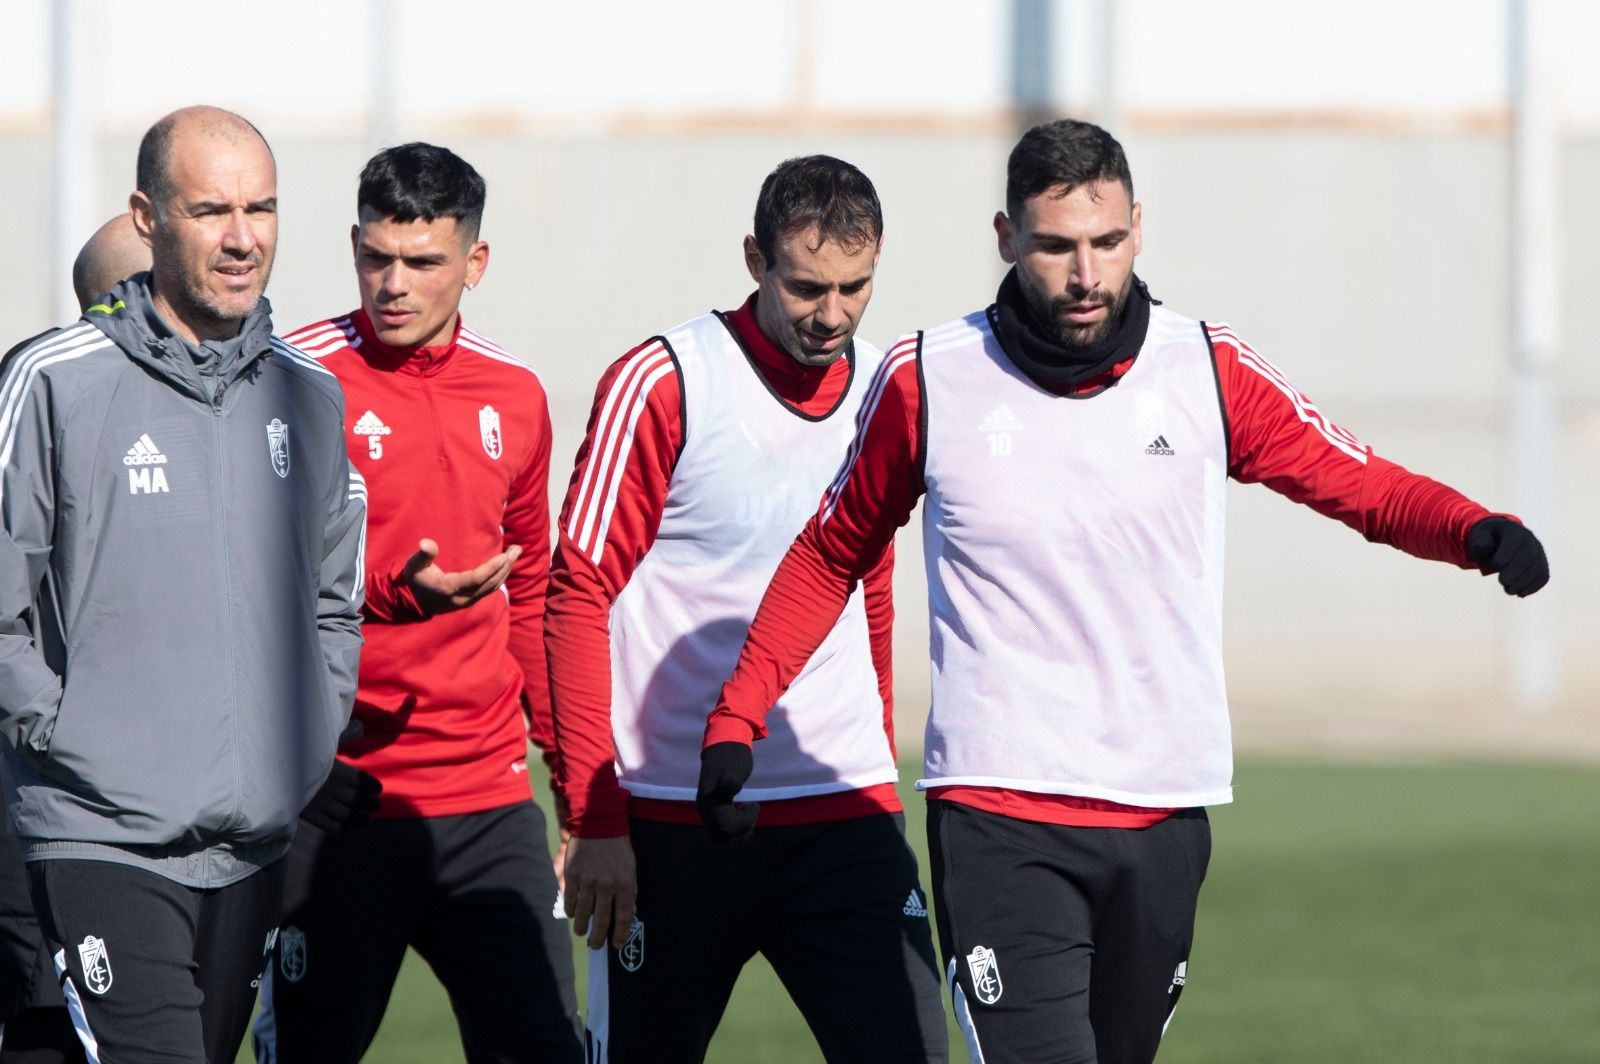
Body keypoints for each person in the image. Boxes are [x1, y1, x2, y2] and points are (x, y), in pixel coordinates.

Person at [699, 120, 1550, 1064]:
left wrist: (1472, 531)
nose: (1086, 273)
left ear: (1139, 228)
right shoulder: (928, 377)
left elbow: (1353, 478)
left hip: (1163, 810)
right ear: (1007, 237)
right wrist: (739, 715)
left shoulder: (1207, 369)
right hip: (999, 813)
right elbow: (829, 554)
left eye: (1106, 242)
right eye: (1057, 245)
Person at [547, 155, 947, 1063]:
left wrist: (877, 757)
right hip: (667, 821)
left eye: (856, 286)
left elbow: (868, 580)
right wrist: (594, 816)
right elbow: (577, 595)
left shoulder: (891, 385)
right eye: (806, 286)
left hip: (842, 809)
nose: (832, 314)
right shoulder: (665, 380)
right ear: (753, 259)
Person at [0, 105, 366, 1064]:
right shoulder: (52, 381)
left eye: (262, 208)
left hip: (253, 847)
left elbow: (334, 600)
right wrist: (61, 732)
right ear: (149, 217)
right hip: (99, 835)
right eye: (211, 210)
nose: (242, 238)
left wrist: (308, 742)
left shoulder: (310, 393)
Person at [252, 142, 583, 1064]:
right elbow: (244, 575)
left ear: (473, 264)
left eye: (424, 262)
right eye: (375, 257)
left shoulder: (515, 394)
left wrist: (576, 788)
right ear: (353, 244)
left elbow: (535, 594)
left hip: (487, 800)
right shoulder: (289, 378)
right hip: (334, 802)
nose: (393, 284)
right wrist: (390, 596)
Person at [0, 212, 145, 1064]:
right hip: (47, 792)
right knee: (54, 1028)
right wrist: (58, 732)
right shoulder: (48, 387)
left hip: (130, 797)